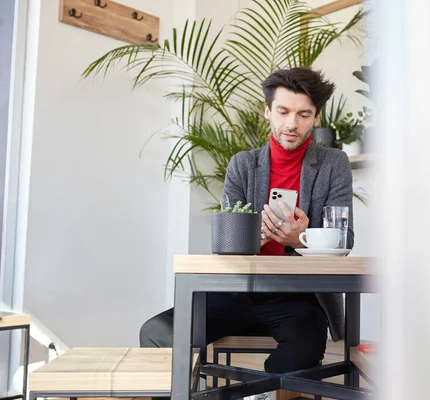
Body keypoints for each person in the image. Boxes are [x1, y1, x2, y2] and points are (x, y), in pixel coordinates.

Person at [139, 67, 354, 399]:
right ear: (267, 110)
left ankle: (261, 393)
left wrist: (300, 238)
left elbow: (345, 238)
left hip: (296, 295)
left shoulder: (333, 164)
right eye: (282, 111)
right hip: (238, 289)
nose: (291, 124)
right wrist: (261, 235)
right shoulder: (243, 164)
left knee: (304, 348)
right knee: (157, 332)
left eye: (303, 114)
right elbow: (227, 239)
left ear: (316, 117)